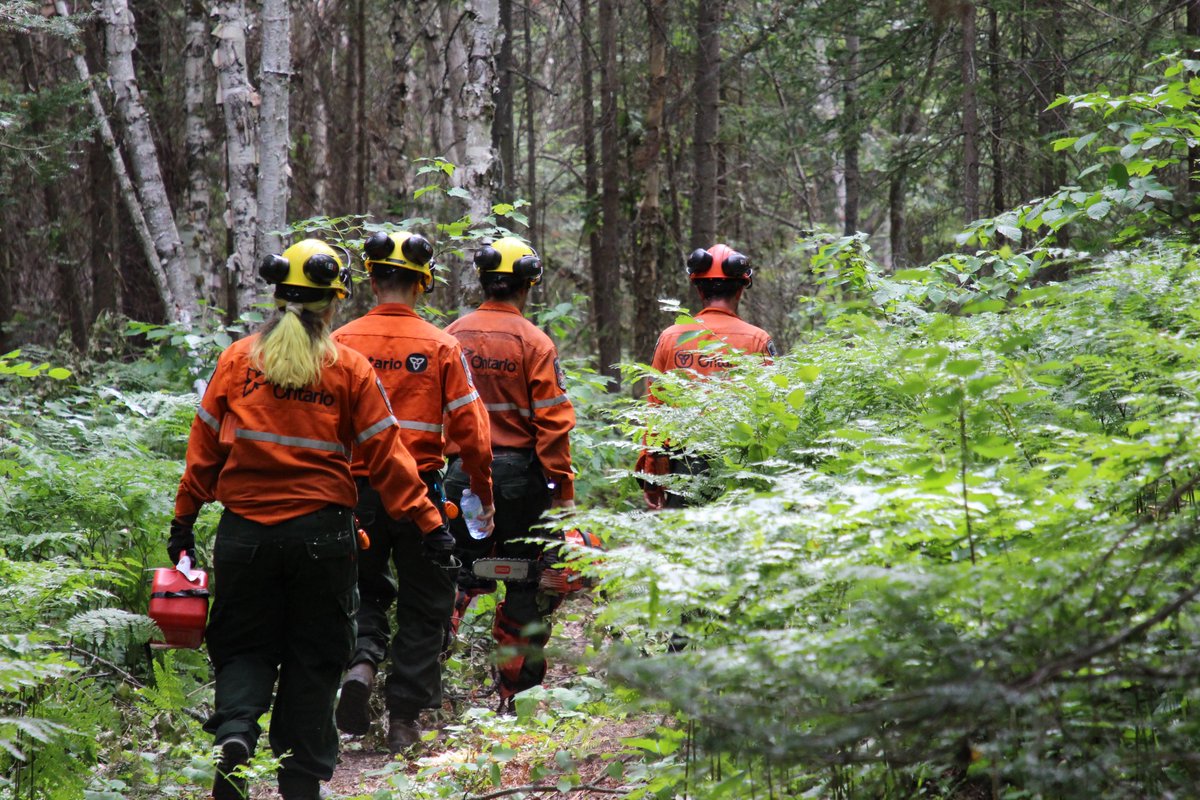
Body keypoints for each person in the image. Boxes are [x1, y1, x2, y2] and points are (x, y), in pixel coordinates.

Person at [168, 239, 453, 800]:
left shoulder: (237, 360)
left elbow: (202, 453)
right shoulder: (348, 367)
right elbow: (389, 460)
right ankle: (300, 782)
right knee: (316, 658)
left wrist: (183, 523)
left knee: (243, 647)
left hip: (244, 536)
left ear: (277, 296)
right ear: (334, 301)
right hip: (323, 538)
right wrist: (431, 525)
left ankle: (236, 733)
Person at [330, 230, 495, 753]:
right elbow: (473, 433)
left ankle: (360, 664)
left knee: (363, 589)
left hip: (354, 492)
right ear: (423, 283)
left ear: (371, 280)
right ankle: (403, 719)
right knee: (426, 601)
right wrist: (484, 495)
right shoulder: (441, 345)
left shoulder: (340, 342)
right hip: (422, 492)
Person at [442, 236, 576, 712]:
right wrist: (563, 492)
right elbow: (553, 424)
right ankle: (517, 695)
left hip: (461, 476)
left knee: (451, 574)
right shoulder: (534, 342)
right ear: (528, 284)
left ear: (482, 281)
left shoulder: (451, 336)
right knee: (526, 580)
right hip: (521, 480)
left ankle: (423, 681)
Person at [635, 243, 776, 510]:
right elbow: (773, 410)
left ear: (699, 289)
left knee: (683, 534)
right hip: (741, 464)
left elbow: (656, 409)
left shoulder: (670, 338)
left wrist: (651, 472)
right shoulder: (758, 340)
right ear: (740, 289)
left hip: (682, 465)